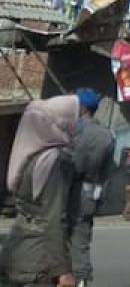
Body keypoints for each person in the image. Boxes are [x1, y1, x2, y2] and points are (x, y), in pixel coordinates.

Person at [0, 95, 80, 287]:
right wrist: (63, 271)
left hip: (16, 252)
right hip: (39, 261)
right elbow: (54, 219)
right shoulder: (57, 162)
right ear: (62, 124)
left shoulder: (29, 156)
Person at [68, 89, 115, 287]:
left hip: (68, 190)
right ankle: (81, 281)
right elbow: (106, 172)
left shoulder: (71, 130)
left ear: (82, 108)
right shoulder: (107, 135)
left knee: (58, 241)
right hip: (89, 194)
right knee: (81, 242)